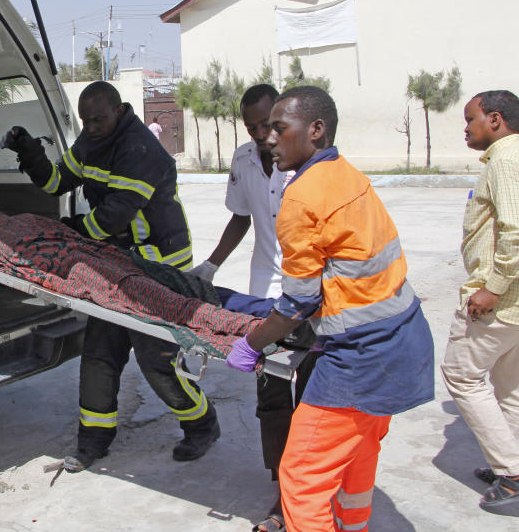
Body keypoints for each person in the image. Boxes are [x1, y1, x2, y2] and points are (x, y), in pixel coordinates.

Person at [225, 86, 434, 532]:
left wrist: (250, 344)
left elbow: (297, 303)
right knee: (357, 459)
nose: (269, 139)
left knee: (301, 477)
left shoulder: (300, 198)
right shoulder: (347, 174)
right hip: (402, 342)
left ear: (315, 130)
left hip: (358, 361)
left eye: (280, 128)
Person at [2, 81, 220, 472]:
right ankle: (93, 441)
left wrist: (71, 233)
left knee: (156, 360)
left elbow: (115, 215)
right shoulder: (91, 140)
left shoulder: (140, 149)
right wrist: (28, 150)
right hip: (117, 261)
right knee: (101, 350)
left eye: (98, 119)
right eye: (85, 121)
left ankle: (202, 424)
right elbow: (55, 181)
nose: (91, 127)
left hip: (159, 264)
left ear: (119, 111)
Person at [193, 83, 318, 532]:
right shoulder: (245, 160)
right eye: (253, 126)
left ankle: (302, 494)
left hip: (311, 297)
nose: (263, 134)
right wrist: (210, 264)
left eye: (268, 123)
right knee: (270, 394)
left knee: (309, 393)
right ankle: (279, 485)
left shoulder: (307, 162)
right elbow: (241, 217)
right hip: (264, 292)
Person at [440, 90, 519, 511]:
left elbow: (515, 231)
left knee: (462, 374)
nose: (466, 128)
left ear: (495, 119)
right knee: (509, 385)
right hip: (514, 306)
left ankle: (513, 473)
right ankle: (512, 459)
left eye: (470, 119)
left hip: (501, 302)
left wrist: (493, 287)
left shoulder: (506, 159)